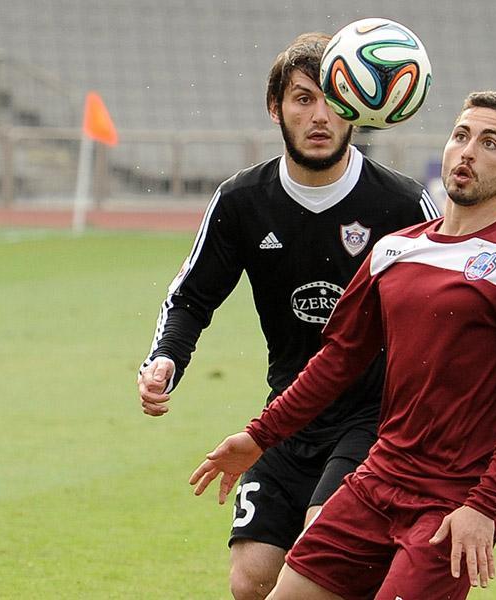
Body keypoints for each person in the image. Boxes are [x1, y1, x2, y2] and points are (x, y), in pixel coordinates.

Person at [189, 91, 496, 600]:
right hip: (376, 480)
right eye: (461, 136)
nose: (468, 152)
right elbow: (336, 361)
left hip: (450, 504)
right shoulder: (395, 250)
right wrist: (259, 436)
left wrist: (483, 505)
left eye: (489, 143)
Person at [137, 32, 440, 600]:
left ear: (357, 107)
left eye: (333, 99)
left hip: (375, 421)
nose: (319, 115)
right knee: (251, 581)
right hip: (288, 414)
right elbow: (192, 296)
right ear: (275, 108)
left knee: (323, 560)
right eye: (303, 99)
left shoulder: (400, 204)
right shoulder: (242, 201)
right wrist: (165, 360)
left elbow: (446, 309)